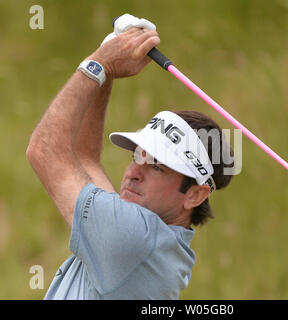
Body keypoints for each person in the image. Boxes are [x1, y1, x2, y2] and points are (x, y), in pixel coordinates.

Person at [26, 14, 234, 299]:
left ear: (195, 195)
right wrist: (107, 70)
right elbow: (86, 159)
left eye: (157, 166)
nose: (134, 172)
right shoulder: (153, 240)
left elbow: (43, 150)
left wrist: (97, 64)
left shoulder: (134, 239)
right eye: (138, 155)